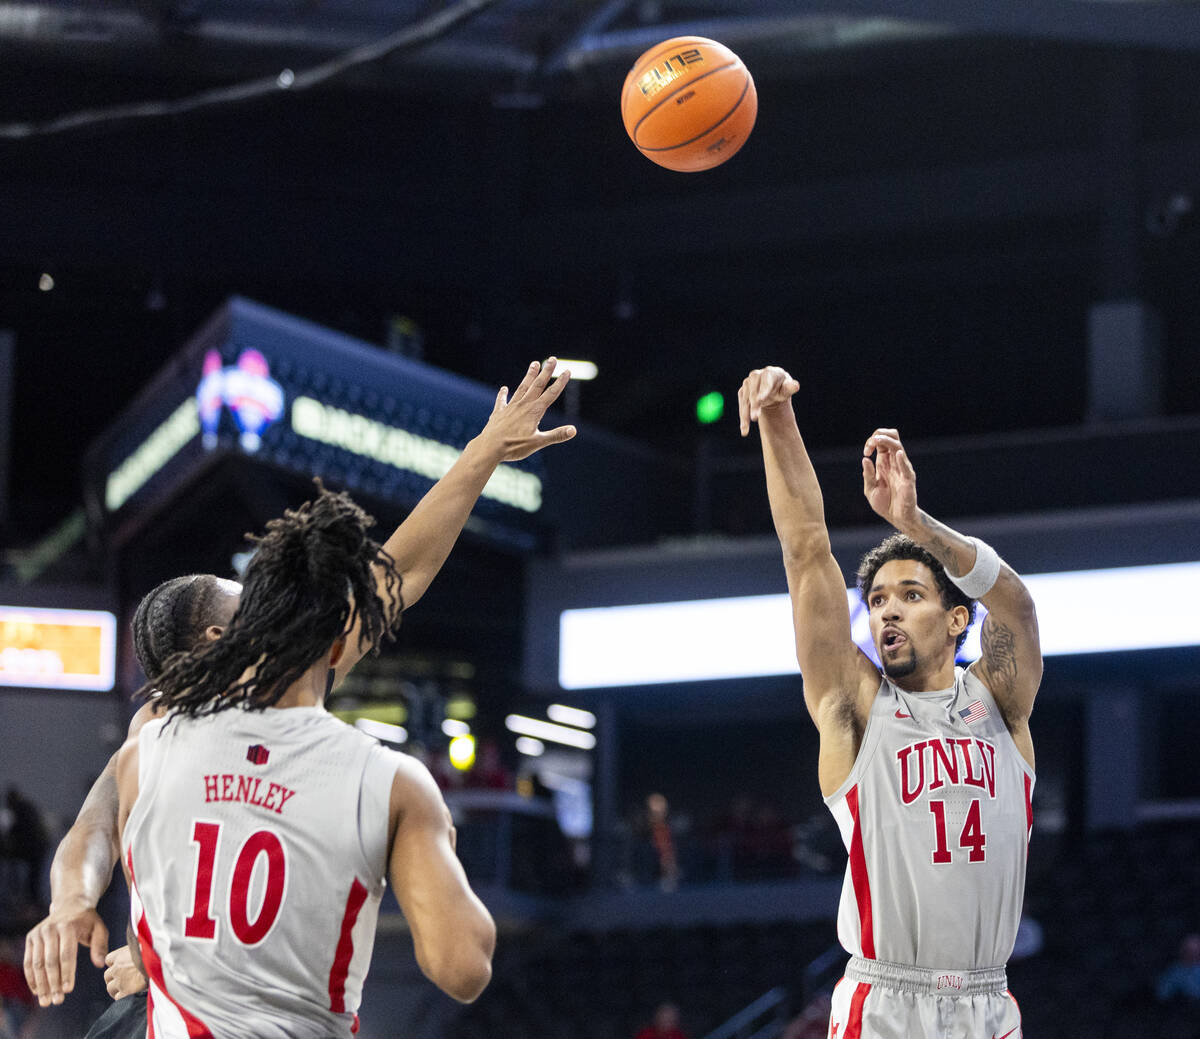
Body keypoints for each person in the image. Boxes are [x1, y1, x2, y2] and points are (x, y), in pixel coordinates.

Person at [24, 359, 576, 1029]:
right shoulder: (164, 727)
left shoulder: (287, 694)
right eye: (247, 598)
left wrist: (484, 451)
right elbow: (93, 827)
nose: (270, 603)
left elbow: (400, 569)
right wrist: (71, 903)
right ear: (220, 636)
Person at [739, 366, 1041, 1039]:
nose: (888, 612)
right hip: (886, 1002)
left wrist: (913, 522)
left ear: (958, 617)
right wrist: (779, 422)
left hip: (990, 1004)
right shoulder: (857, 706)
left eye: (910, 593)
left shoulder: (1002, 702)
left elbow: (1016, 605)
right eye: (876, 600)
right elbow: (805, 553)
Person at [1156, 933, 1200, 1002]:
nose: (1191, 954)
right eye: (1188, 950)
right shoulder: (1175, 970)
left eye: (1194, 951)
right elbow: (1163, 992)